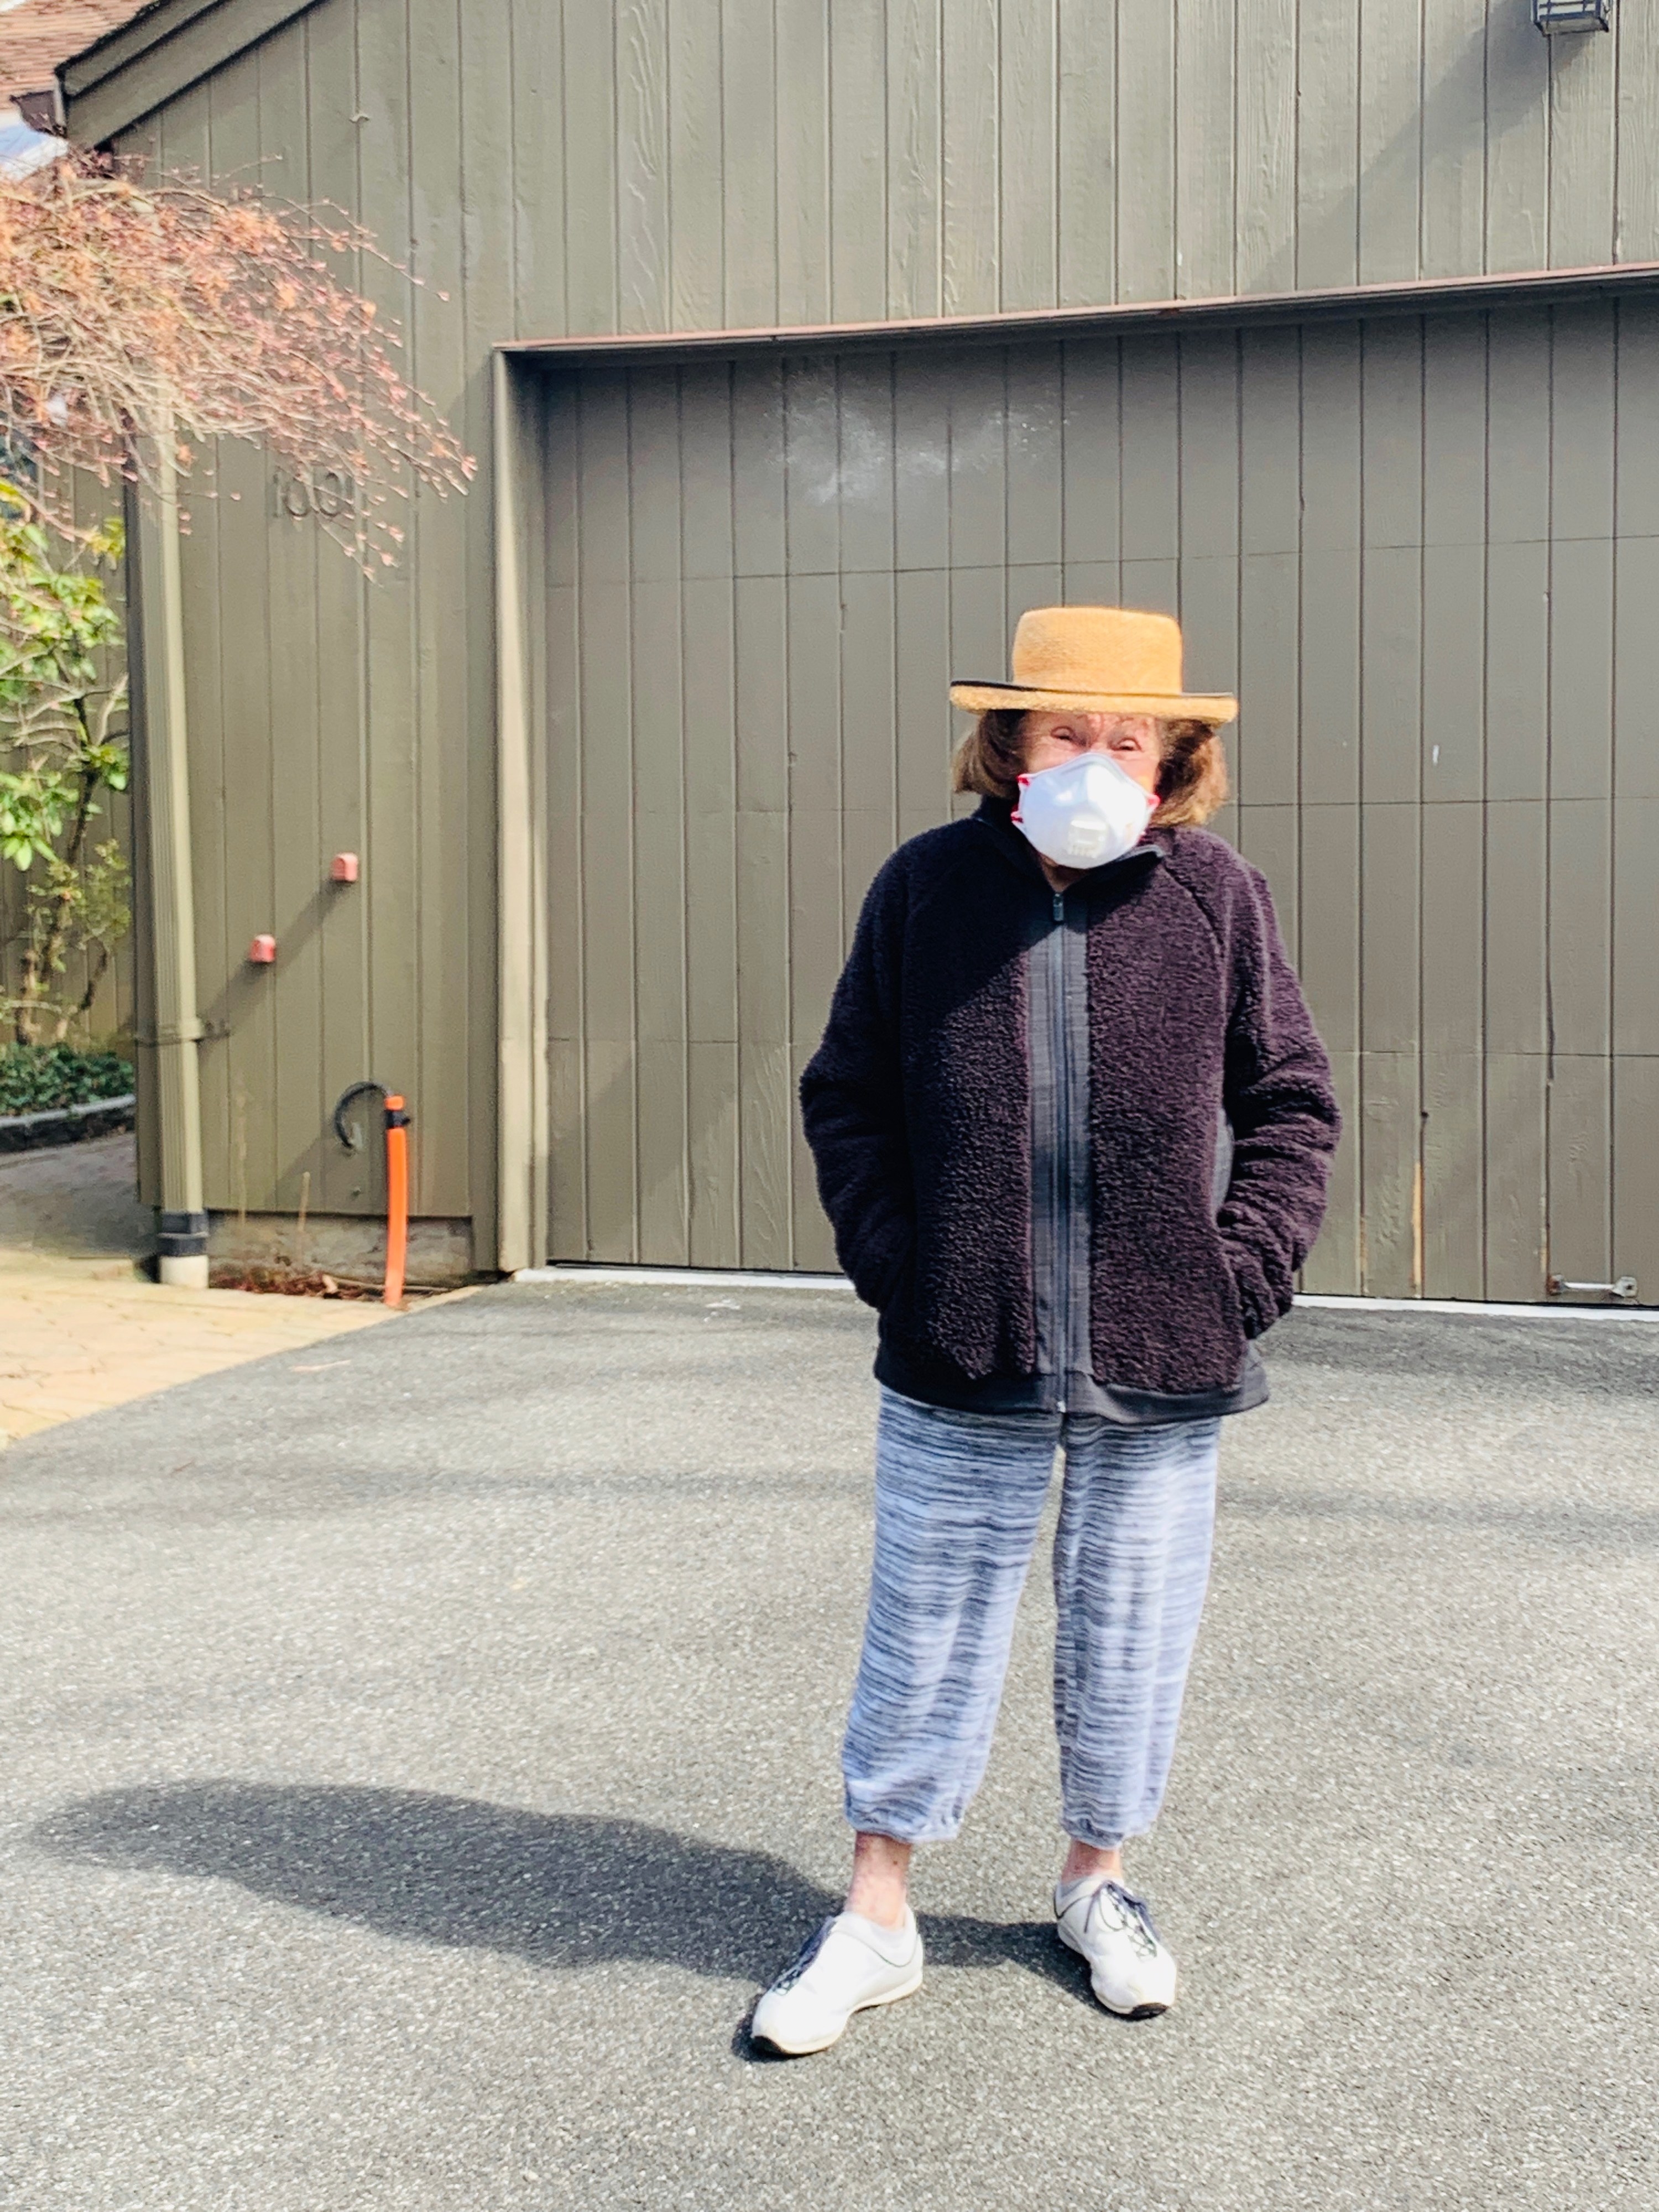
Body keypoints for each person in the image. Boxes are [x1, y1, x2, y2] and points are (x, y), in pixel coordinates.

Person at [750, 605, 1340, 2057]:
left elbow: (1292, 1104)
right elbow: (849, 1097)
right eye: (1064, 730)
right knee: (925, 1631)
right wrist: (908, 1267)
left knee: (1133, 1631)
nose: (1093, 755)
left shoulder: (1219, 898)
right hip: (965, 1345)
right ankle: (877, 1917)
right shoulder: (928, 890)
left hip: (1164, 1346)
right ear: (1008, 743)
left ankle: (1100, 1885)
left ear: (1171, 756)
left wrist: (1239, 1275)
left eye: (1123, 736)